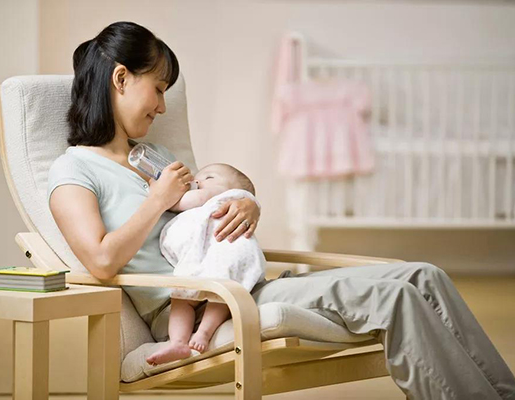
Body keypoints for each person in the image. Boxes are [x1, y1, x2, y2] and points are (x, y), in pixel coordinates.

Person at [47, 21, 515, 399]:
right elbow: (101, 260)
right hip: (199, 305)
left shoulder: (152, 156)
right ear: (121, 78)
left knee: (425, 276)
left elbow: (207, 209)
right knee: (396, 299)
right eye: (159, 88)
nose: (163, 107)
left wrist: (246, 205)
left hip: (244, 282)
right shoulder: (74, 170)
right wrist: (156, 201)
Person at [146, 163, 266, 366]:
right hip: (214, 260)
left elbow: (176, 202)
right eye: (198, 177)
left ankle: (190, 337)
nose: (198, 181)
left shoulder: (223, 197)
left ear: (233, 190)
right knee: (214, 297)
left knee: (188, 297)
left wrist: (156, 190)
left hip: (225, 254)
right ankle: (187, 340)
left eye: (209, 177)